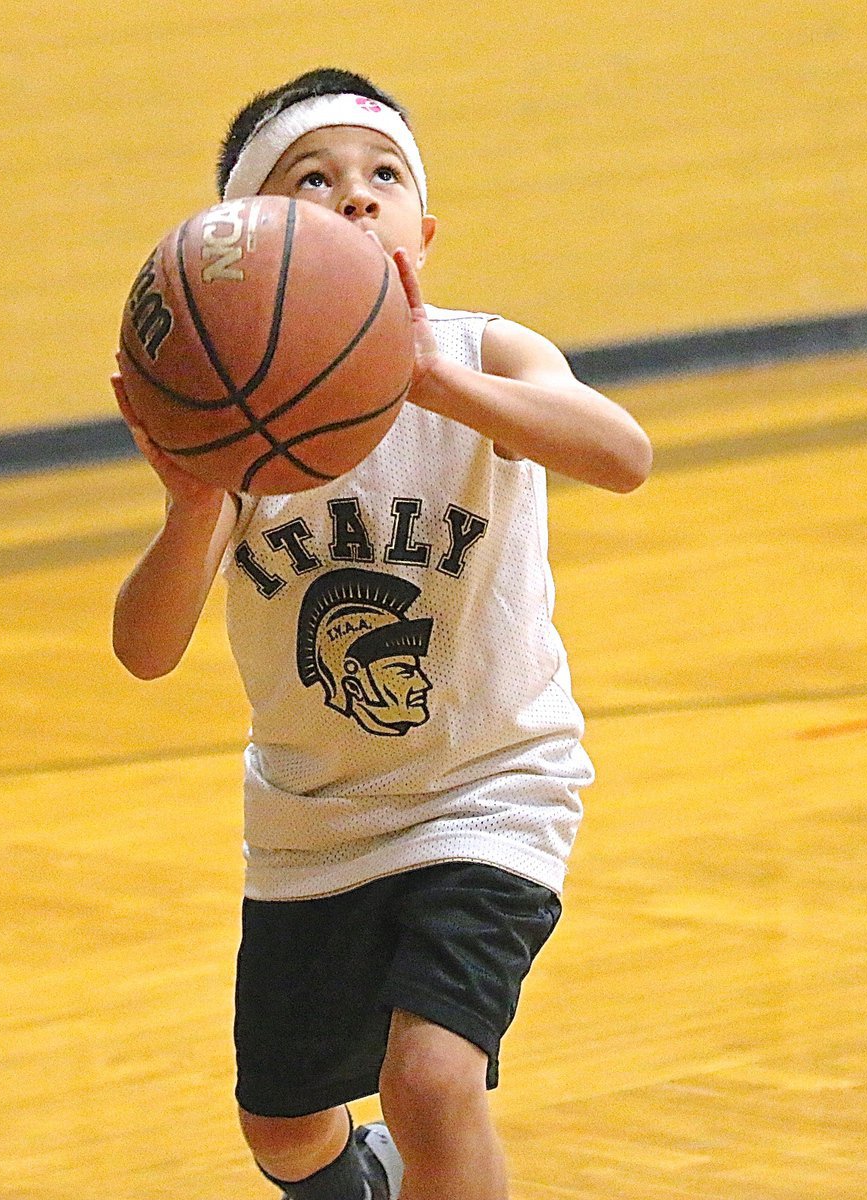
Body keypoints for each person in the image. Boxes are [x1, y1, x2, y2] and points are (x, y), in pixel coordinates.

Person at [112, 67, 651, 1200]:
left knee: (433, 1080)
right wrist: (193, 502)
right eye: (315, 178)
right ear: (254, 246)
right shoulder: (240, 435)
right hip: (317, 818)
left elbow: (622, 456)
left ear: (426, 229)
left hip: (490, 785)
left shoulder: (489, 354)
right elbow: (145, 648)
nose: (358, 196)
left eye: (384, 175)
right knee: (284, 1128)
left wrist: (435, 383)